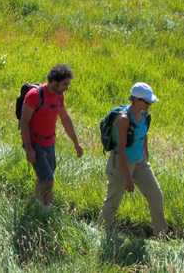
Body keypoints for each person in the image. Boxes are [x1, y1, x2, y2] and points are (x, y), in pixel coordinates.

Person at [99, 83, 169, 237]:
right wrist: (128, 179)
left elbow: (143, 135)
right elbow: (122, 150)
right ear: (136, 100)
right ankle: (101, 232)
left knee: (156, 195)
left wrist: (145, 157)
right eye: (146, 102)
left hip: (140, 162)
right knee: (113, 201)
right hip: (121, 164)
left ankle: (161, 234)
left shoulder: (144, 114)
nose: (149, 105)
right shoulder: (124, 119)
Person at [19, 64, 84, 208]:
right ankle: (46, 210)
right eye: (65, 84)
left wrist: (76, 142)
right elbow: (24, 122)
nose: (67, 87)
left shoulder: (59, 95)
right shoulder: (35, 95)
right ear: (54, 81)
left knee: (44, 176)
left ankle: (37, 203)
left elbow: (65, 119)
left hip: (50, 143)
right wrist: (29, 149)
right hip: (35, 143)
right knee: (48, 179)